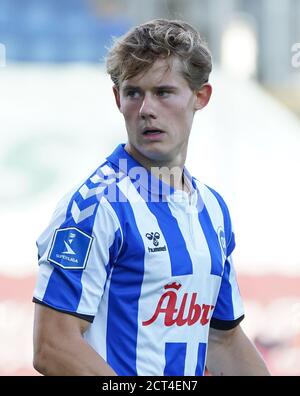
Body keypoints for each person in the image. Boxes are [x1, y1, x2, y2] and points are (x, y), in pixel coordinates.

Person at [32, 19, 270, 376]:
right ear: (118, 99)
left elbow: (223, 340)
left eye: (163, 92)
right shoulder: (95, 206)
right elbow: (53, 345)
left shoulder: (213, 209)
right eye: (133, 93)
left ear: (200, 97)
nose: (146, 109)